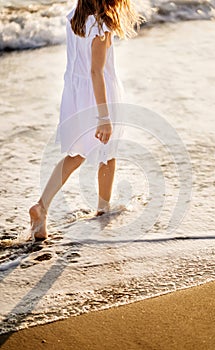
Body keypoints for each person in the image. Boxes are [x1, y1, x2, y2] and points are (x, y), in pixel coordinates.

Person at [29, 0, 142, 240]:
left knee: (75, 154)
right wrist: (104, 117)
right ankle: (103, 210)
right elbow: (96, 71)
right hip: (99, 95)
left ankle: (42, 206)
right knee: (108, 153)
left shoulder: (74, 17)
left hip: (75, 92)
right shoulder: (100, 26)